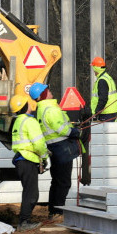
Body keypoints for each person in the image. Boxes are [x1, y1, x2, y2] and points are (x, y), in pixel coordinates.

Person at [31, 82, 80, 218]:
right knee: (64, 182)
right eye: (47, 90)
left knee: (57, 181)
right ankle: (57, 212)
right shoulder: (51, 109)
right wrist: (75, 132)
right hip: (61, 148)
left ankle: (53, 210)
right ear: (43, 95)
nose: (50, 91)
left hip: (54, 148)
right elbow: (61, 129)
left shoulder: (42, 109)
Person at [10, 92, 48, 230]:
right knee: (31, 194)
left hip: (22, 160)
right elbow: (38, 144)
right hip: (28, 160)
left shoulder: (18, 121)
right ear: (25, 106)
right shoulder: (29, 121)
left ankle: (24, 221)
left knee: (29, 192)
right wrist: (44, 157)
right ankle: (24, 222)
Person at [89, 56, 117, 122]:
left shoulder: (102, 81)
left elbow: (103, 99)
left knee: (105, 132)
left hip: (106, 113)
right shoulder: (107, 77)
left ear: (96, 68)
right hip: (112, 111)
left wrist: (97, 112)